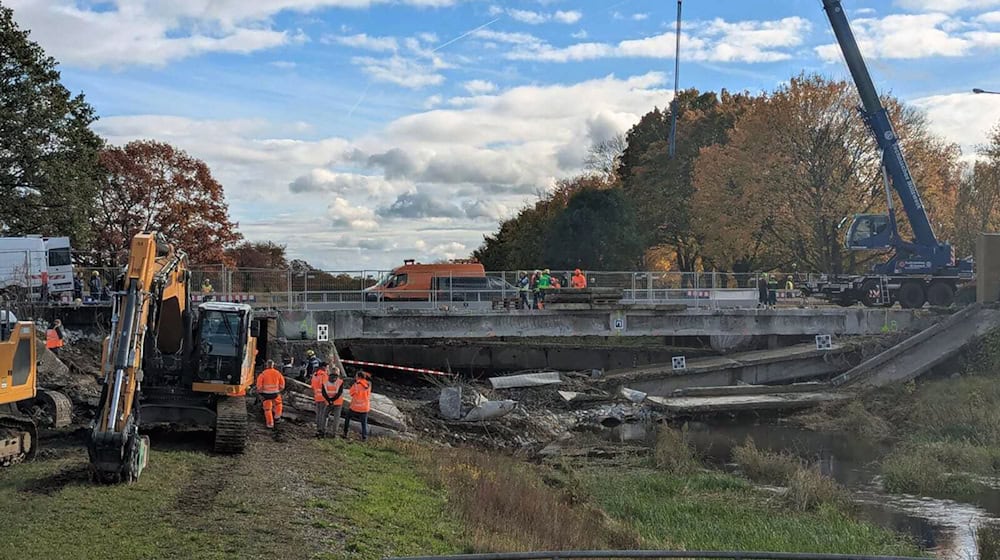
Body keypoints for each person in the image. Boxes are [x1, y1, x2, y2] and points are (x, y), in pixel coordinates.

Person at [312, 364, 345, 437]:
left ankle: (322, 431)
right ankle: (334, 433)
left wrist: (329, 400)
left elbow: (324, 392)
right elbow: (340, 392)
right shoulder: (340, 381)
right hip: (337, 402)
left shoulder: (324, 380)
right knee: (336, 418)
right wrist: (333, 400)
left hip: (327, 401)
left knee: (324, 416)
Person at [255, 360, 285, 429]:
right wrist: (279, 390)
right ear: (273, 365)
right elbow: (282, 385)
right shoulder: (278, 373)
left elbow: (259, 386)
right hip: (275, 393)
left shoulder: (263, 374)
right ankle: (277, 418)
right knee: (278, 404)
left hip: (266, 394)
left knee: (267, 409)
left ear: (266, 366)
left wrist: (260, 392)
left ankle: (270, 424)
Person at [343, 370, 372, 441]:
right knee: (364, 423)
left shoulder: (356, 385)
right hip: (364, 407)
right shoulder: (369, 385)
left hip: (355, 407)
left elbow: (351, 393)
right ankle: (364, 437)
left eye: (356, 376)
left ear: (359, 377)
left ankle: (345, 433)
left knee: (347, 418)